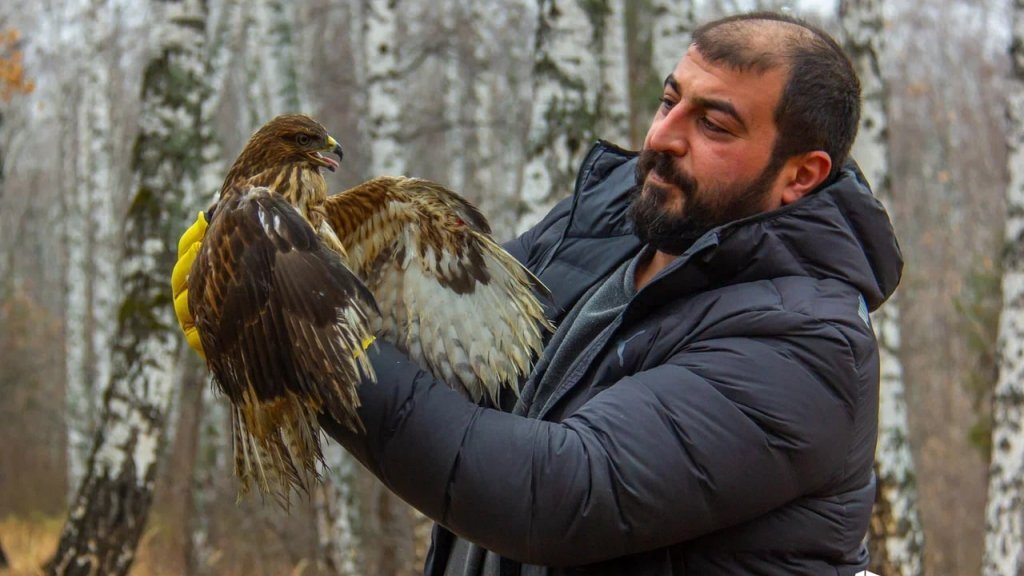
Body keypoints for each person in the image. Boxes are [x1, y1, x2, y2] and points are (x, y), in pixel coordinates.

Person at [174, 10, 901, 576]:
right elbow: (456, 379)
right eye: (669, 100)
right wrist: (268, 287)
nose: (662, 137)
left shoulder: (810, 347)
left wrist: (320, 343)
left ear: (801, 174)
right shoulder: (615, 225)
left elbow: (553, 493)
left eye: (713, 123)